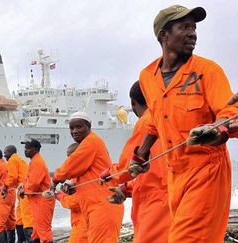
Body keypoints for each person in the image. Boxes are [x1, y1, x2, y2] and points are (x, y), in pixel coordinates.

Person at [130, 5, 238, 242]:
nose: (193, 34)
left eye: (194, 28)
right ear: (164, 35)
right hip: (175, 174)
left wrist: (218, 129)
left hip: (207, 170)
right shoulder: (147, 76)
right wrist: (141, 154)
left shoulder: (207, 71)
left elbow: (230, 111)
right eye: (185, 27)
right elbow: (155, 121)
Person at [100, 81, 170, 243]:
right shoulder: (168, 119)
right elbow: (156, 170)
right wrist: (127, 189)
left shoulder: (146, 121)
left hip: (155, 203)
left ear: (133, 103)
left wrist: (110, 174)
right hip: (172, 194)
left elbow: (128, 166)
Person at [52, 111, 124, 243]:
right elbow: (81, 171)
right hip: (95, 208)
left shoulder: (92, 141)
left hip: (102, 206)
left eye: (79, 127)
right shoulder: (90, 144)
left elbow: (71, 165)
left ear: (89, 126)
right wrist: (73, 186)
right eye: (72, 128)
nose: (74, 131)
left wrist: (56, 181)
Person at [18, 139, 55, 243]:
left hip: (43, 201)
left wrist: (24, 190)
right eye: (25, 148)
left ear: (35, 150)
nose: (25, 150)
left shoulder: (38, 162)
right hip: (37, 201)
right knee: (37, 231)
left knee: (44, 230)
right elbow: (30, 180)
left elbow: (34, 184)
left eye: (27, 148)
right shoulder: (34, 161)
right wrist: (23, 186)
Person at [55, 143, 88, 243]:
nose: (69, 161)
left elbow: (75, 203)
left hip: (85, 224)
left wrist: (59, 195)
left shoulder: (86, 176)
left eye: (71, 157)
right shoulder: (78, 175)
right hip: (80, 221)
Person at [0, 145, 34, 242]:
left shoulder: (12, 160)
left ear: (11, 152)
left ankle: (29, 240)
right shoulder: (19, 160)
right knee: (19, 216)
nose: (4, 156)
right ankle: (21, 240)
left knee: (26, 217)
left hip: (25, 191)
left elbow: (12, 177)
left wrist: (5, 187)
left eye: (5, 153)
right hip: (21, 191)